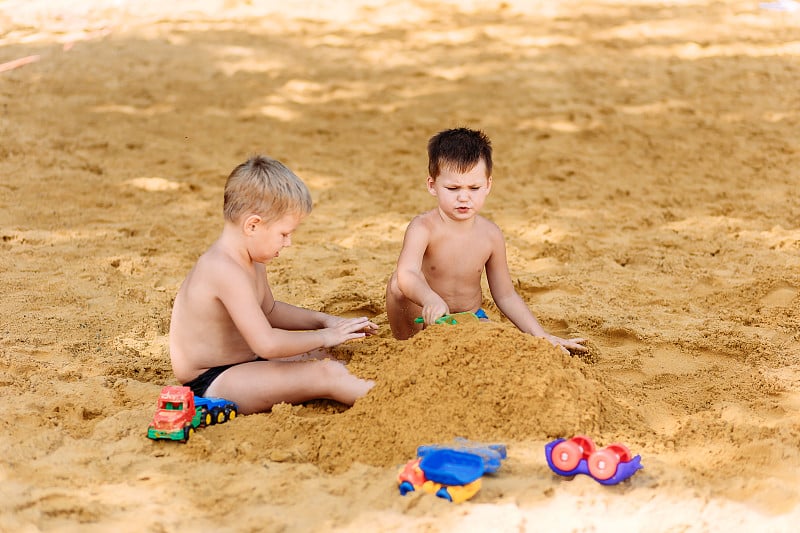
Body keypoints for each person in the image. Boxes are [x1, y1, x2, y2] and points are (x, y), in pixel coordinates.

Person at [169, 155, 377, 415]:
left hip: (247, 362)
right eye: (284, 233)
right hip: (214, 379)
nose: (288, 242)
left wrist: (326, 321)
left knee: (330, 355)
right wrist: (327, 336)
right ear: (253, 225)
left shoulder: (251, 258)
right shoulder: (222, 269)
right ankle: (399, 406)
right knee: (326, 373)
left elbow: (269, 311)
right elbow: (266, 343)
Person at [385, 127, 587, 354]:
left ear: (488, 185)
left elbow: (506, 295)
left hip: (470, 320)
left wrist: (542, 336)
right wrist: (430, 299)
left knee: (504, 349)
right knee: (397, 285)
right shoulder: (423, 227)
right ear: (432, 186)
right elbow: (407, 274)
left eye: (474, 187)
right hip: (426, 319)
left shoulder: (490, 234)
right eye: (452, 188)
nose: (464, 197)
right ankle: (407, 351)